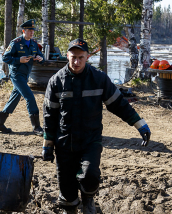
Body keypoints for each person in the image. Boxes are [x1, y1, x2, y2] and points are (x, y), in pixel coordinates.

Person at [41, 38, 151, 214]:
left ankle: (88, 200)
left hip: (90, 140)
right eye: (73, 57)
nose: (76, 62)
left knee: (90, 175)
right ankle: (71, 208)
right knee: (67, 192)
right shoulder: (56, 81)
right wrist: (48, 145)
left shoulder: (99, 79)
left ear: (87, 57)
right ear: (67, 55)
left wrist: (139, 124)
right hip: (64, 143)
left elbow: (118, 104)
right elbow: (49, 116)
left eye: (81, 58)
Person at [0, 19, 45, 135]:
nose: (32, 32)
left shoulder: (33, 43)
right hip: (16, 75)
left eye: (33, 30)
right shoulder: (15, 43)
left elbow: (41, 57)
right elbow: (5, 58)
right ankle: (36, 127)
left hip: (25, 75)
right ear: (23, 31)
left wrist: (41, 59)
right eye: (29, 30)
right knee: (30, 97)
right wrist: (18, 60)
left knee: (15, 98)